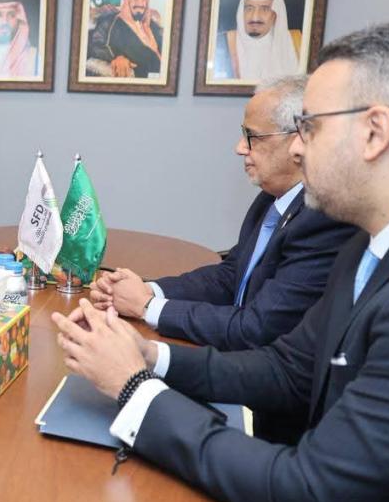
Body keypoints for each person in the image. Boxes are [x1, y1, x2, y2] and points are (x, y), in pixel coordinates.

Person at [53, 21, 389, 502]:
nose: (298, 146)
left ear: (374, 132)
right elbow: (288, 368)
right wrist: (151, 357)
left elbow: (309, 494)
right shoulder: (367, 245)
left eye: (309, 126)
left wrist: (135, 390)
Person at [91, 76, 356, 351]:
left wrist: (147, 306)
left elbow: (256, 328)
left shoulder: (323, 219)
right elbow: (230, 276)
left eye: (252, 136)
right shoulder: (270, 198)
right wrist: (150, 290)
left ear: (299, 138)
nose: (239, 147)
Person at [213, 0, 302, 81]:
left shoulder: (298, 42)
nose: (255, 17)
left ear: (276, 14)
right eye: (249, 8)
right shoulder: (222, 43)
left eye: (265, 9)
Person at [86, 0, 163, 79]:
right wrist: (117, 57)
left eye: (143, 0)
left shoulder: (152, 26)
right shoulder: (111, 21)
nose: (140, 4)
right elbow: (97, 44)